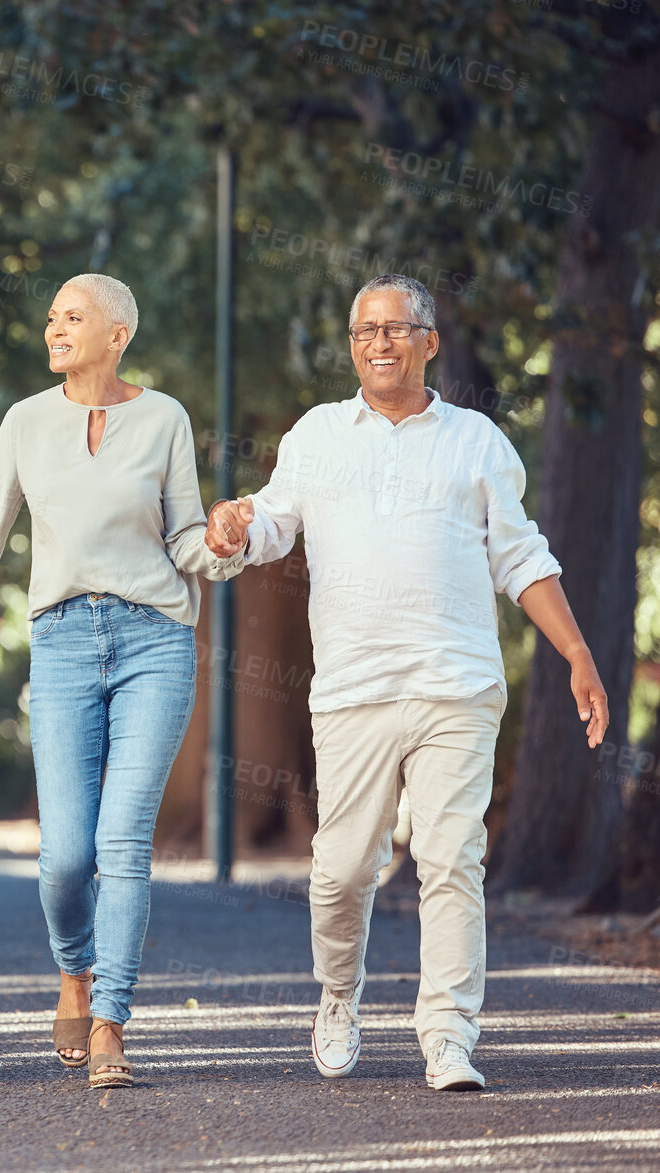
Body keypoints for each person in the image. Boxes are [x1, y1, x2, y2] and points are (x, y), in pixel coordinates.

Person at [206, 272, 608, 1091]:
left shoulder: (475, 442)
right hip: (351, 689)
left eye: (396, 328)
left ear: (429, 342)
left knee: (452, 856)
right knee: (342, 869)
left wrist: (576, 652)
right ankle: (338, 995)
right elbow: (272, 523)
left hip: (455, 683)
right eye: (364, 330)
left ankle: (449, 1034)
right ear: (351, 346)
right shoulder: (317, 434)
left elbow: (519, 556)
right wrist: (233, 529)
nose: (379, 342)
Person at [0, 273, 241, 1088]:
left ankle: (110, 1023)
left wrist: (228, 543)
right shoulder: (25, 422)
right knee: (63, 856)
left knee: (121, 843)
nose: (54, 327)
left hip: (153, 640)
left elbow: (188, 539)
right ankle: (73, 970)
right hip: (60, 641)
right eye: (52, 316)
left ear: (116, 333)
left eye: (73, 316)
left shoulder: (162, 418)